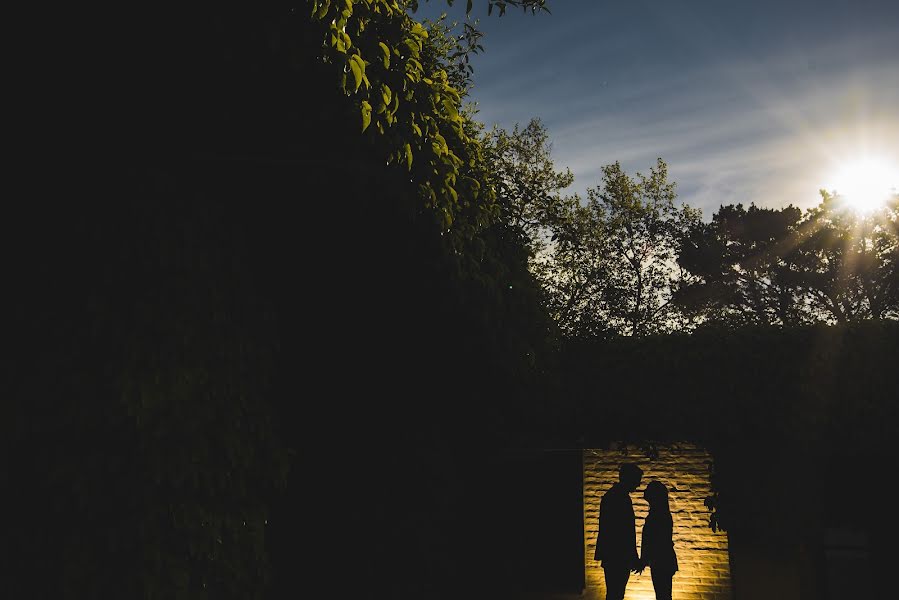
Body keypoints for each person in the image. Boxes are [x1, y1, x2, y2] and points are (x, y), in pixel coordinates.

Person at [595, 463, 643, 600]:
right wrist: (633, 557)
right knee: (616, 593)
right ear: (630, 479)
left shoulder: (611, 496)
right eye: (637, 480)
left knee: (614, 593)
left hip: (611, 555)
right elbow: (625, 533)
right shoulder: (621, 499)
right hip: (619, 556)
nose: (638, 485)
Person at [637, 480, 678, 600]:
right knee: (663, 595)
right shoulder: (661, 513)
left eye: (648, 489)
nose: (645, 491)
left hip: (660, 560)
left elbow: (653, 541)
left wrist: (644, 560)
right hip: (662, 560)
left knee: (662, 595)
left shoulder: (658, 515)